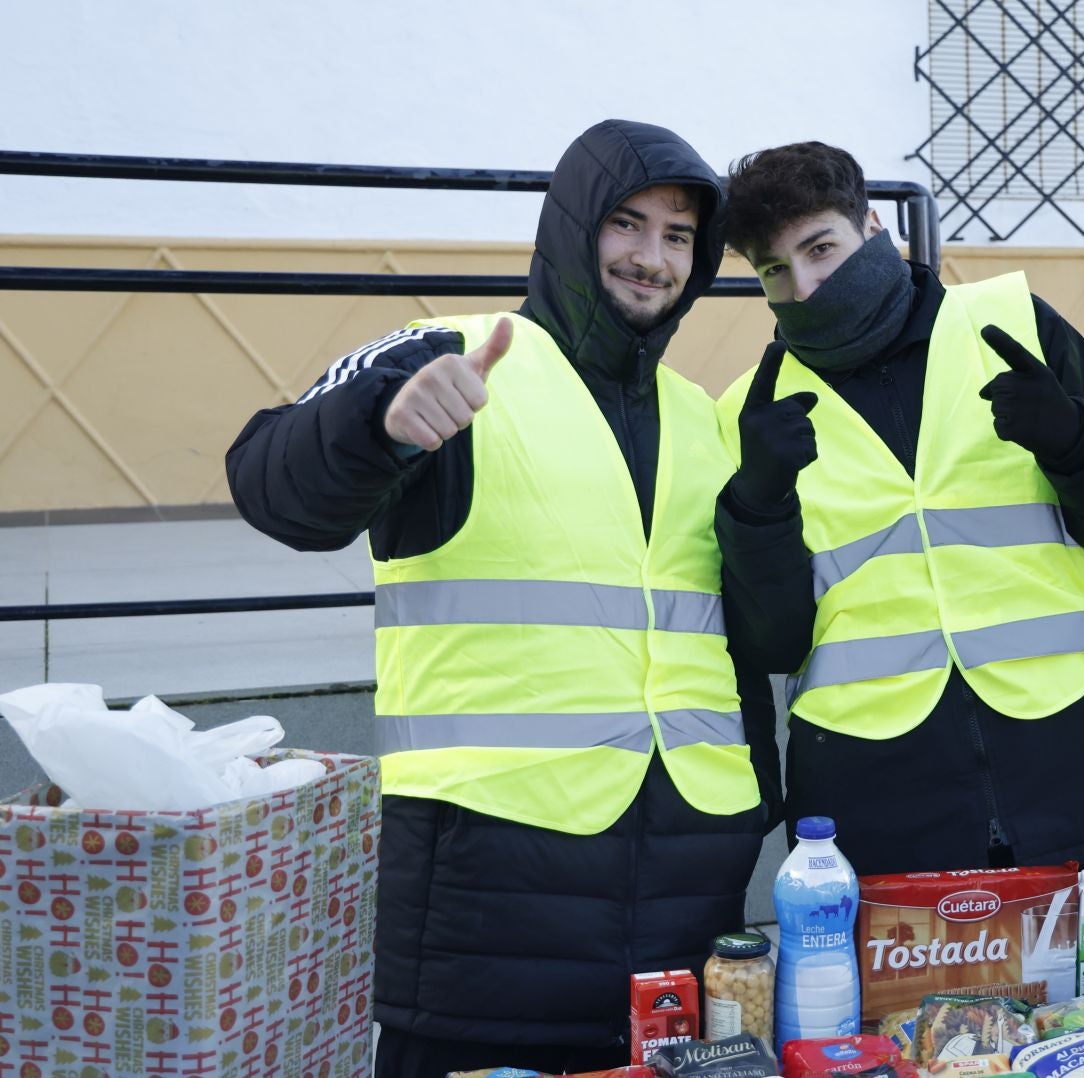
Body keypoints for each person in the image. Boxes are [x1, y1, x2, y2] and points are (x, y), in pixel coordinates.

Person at [226, 120, 778, 1076]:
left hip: (684, 907)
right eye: (626, 224)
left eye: (678, 236)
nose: (651, 258)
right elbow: (272, 483)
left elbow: (729, 640)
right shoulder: (449, 355)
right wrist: (379, 427)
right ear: (572, 226)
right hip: (487, 905)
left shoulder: (703, 416)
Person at [712, 141, 1084, 876]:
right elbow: (774, 645)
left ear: (872, 227)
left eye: (821, 248)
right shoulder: (751, 412)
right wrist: (758, 505)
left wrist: (1075, 441)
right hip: (870, 802)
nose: (806, 285)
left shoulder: (1014, 325)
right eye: (774, 270)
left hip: (1067, 767)